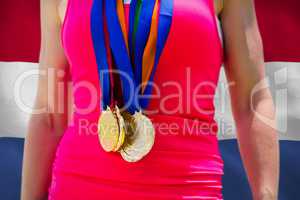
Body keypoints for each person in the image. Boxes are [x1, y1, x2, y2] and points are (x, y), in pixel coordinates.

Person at [21, 0, 279, 199]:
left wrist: (266, 195)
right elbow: (49, 113)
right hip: (77, 186)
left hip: (188, 188)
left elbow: (251, 100)